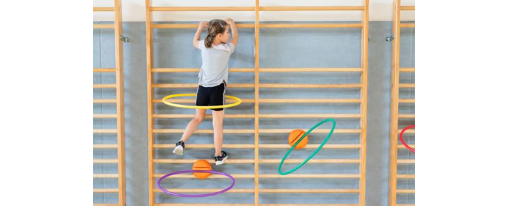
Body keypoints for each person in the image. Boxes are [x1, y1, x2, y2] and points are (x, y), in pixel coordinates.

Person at [173, 18, 238, 166]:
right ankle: (217, 156)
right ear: (219, 36)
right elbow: (236, 38)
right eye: (226, 32)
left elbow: (194, 41)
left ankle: (181, 142)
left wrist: (200, 26)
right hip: (217, 89)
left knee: (197, 118)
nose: (228, 35)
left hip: (202, 88)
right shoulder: (226, 49)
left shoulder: (204, 46)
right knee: (217, 123)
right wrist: (233, 24)